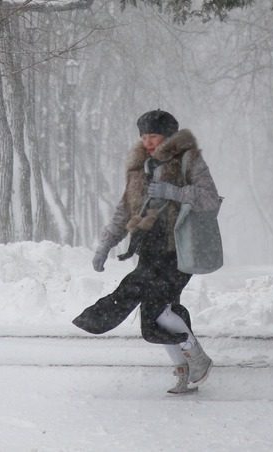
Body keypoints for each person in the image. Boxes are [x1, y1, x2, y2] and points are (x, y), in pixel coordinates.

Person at [72, 109, 221, 394]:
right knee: (157, 311)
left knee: (157, 308)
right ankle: (185, 369)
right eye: (143, 135)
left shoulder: (189, 160)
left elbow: (209, 199)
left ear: (169, 135)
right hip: (150, 249)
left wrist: (174, 193)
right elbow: (124, 209)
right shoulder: (142, 167)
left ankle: (196, 357)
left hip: (179, 247)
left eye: (153, 135)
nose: (148, 141)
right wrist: (106, 244)